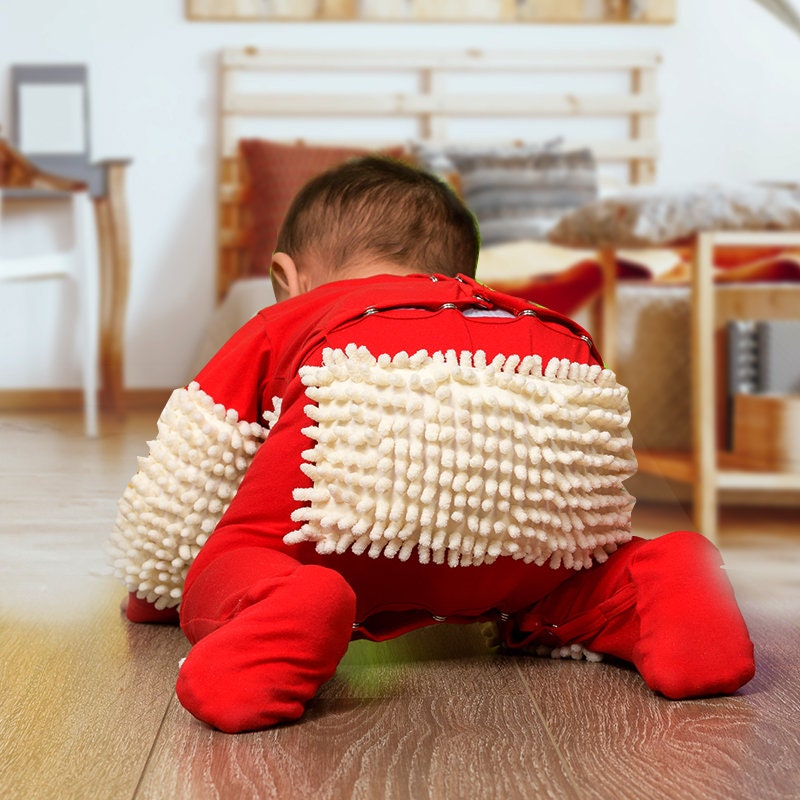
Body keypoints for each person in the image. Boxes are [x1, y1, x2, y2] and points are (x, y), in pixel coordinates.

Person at [109, 157, 755, 734]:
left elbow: (197, 455)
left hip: (354, 521)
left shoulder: (291, 317)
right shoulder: (523, 316)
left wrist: (160, 586)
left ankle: (290, 602)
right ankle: (657, 581)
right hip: (547, 398)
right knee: (567, 582)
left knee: (236, 555)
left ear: (287, 276)